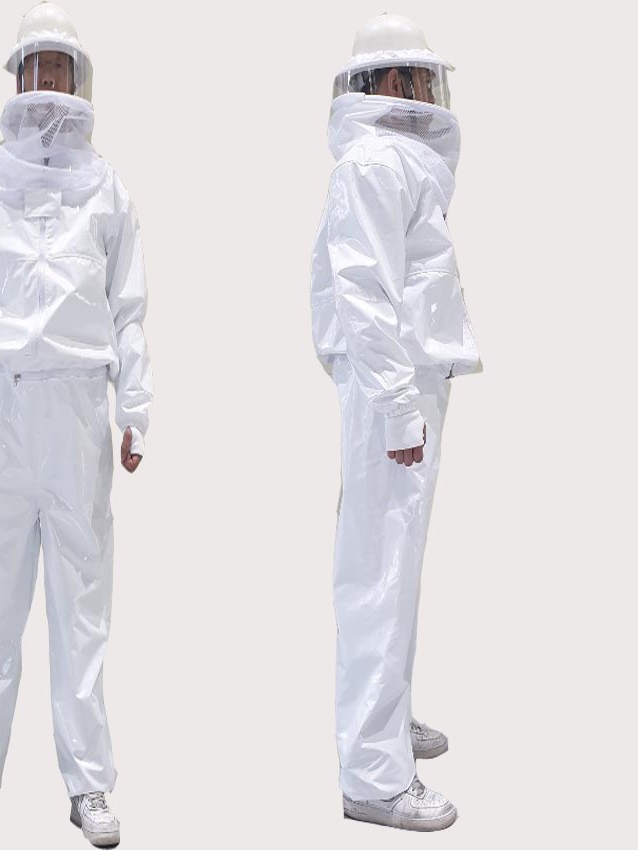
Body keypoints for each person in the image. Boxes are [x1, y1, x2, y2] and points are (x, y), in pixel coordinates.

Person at [0, 3, 152, 845]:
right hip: (3, 405)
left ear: (78, 77)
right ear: (21, 76)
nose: (52, 81)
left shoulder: (108, 188)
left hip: (79, 412)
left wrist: (136, 409)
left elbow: (129, 306)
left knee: (81, 607)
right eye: (41, 66)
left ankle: (88, 784)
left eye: (62, 66)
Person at [311, 12, 480, 832]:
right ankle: (374, 776)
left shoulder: (391, 163)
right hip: (395, 392)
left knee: (395, 567)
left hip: (406, 384)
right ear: (387, 81)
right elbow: (363, 292)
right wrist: (398, 405)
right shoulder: (375, 163)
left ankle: (385, 719)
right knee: (378, 571)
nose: (425, 91)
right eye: (413, 76)